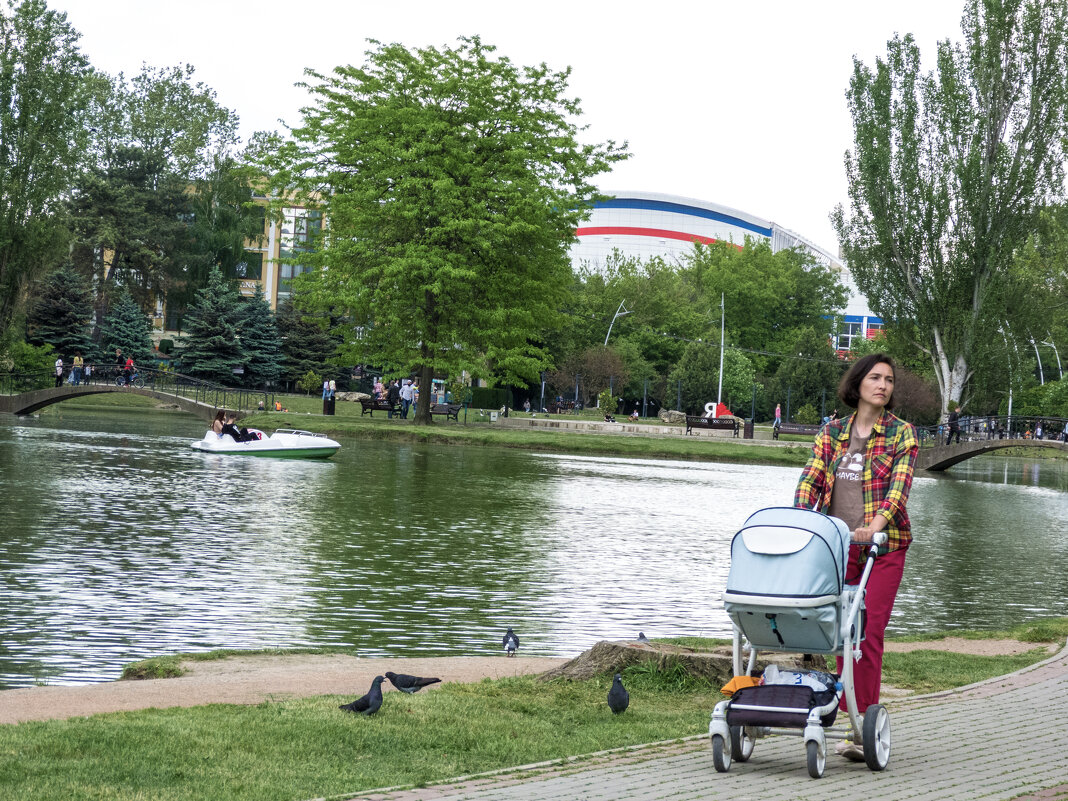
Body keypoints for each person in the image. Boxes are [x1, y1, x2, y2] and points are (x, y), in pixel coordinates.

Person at [793, 353, 918, 762]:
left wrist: (875, 525)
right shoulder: (832, 433)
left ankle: (861, 722)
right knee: (839, 633)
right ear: (858, 383)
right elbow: (811, 479)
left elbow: (899, 490)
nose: (883, 385)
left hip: (881, 550)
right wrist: (800, 519)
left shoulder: (902, 435)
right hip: (837, 547)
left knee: (867, 634)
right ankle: (848, 718)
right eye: (876, 378)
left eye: (889, 380)